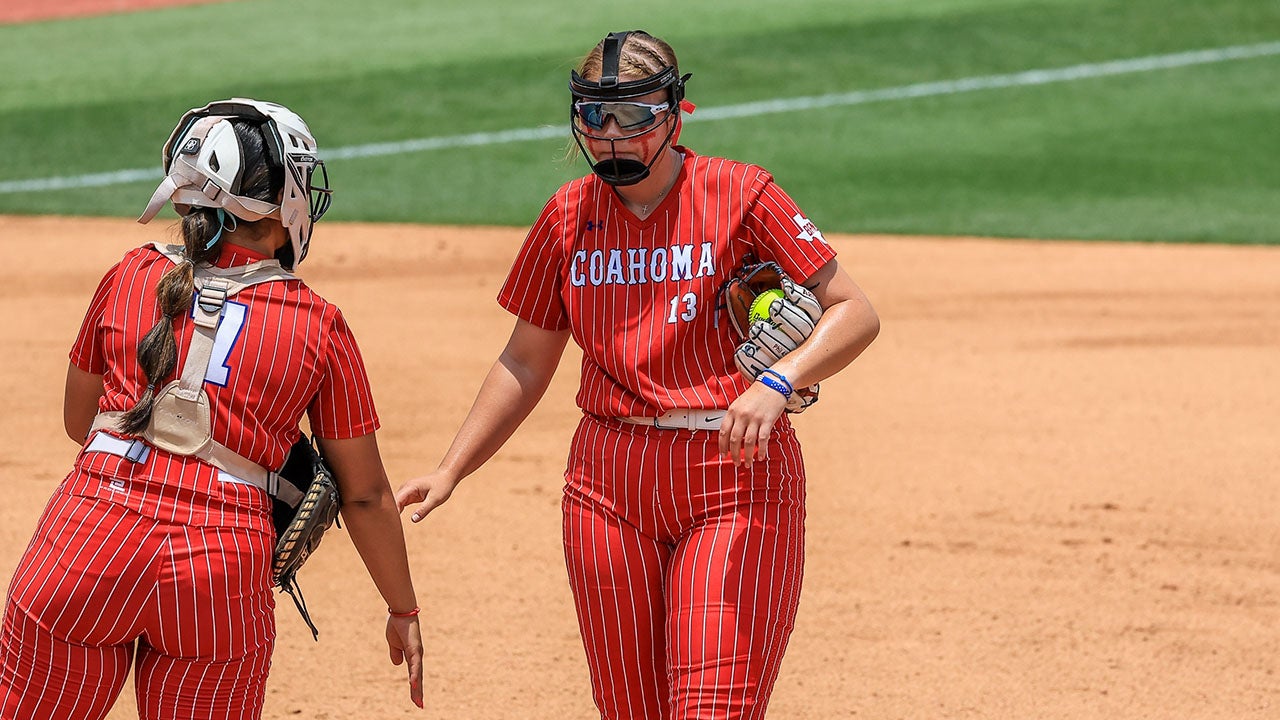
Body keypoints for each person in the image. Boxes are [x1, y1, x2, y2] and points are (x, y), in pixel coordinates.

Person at [396, 30, 879, 719]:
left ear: (676, 112)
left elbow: (854, 311)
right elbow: (525, 361)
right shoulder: (567, 218)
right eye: (596, 117)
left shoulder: (743, 194)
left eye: (635, 116)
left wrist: (778, 381)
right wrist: (452, 467)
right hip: (606, 486)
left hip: (733, 476)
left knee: (713, 709)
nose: (612, 137)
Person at [0, 98, 424, 719]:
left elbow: (78, 423)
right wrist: (402, 608)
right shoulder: (319, 325)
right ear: (285, 203)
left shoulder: (129, 275)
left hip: (86, 546)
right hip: (218, 572)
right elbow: (364, 496)